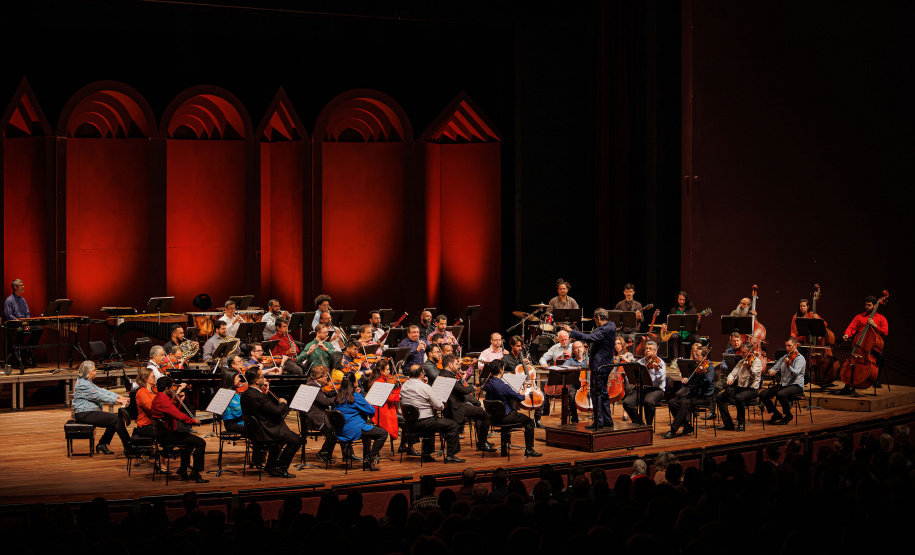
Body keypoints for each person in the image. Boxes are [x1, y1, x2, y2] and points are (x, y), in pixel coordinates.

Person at [240, 367, 302, 478]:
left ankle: (271, 466)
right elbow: (277, 411)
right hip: (266, 431)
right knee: (296, 440)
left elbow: (262, 410)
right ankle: (280, 468)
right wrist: (282, 403)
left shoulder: (245, 394)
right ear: (256, 381)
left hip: (254, 431)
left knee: (282, 441)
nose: (264, 379)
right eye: (262, 377)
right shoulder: (260, 397)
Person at [400, 364, 465, 463]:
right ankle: (451, 456)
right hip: (424, 423)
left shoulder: (404, 386)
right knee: (452, 425)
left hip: (410, 424)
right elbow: (439, 406)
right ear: (421, 375)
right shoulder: (424, 387)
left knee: (432, 423)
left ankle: (426, 454)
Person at [566, 308, 617, 430]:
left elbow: (589, 338)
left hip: (600, 366)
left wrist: (572, 331)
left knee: (596, 394)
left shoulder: (603, 330)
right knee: (603, 393)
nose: (595, 321)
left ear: (598, 318)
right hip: (607, 364)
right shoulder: (612, 325)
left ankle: (599, 421)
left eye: (595, 319)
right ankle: (607, 420)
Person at [151, 376, 209, 483]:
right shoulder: (163, 401)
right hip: (167, 436)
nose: (172, 390)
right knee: (201, 443)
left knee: (188, 440)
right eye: (171, 388)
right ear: (167, 389)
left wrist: (177, 402)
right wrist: (193, 421)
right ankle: (195, 473)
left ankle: (183, 470)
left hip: (163, 434)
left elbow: (172, 412)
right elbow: (179, 416)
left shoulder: (158, 398)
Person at [483, 360, 542, 457]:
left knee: (510, 414)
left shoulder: (488, 385)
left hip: (493, 418)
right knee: (529, 421)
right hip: (505, 418)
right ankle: (529, 450)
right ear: (501, 370)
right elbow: (519, 398)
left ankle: (504, 448)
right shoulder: (504, 386)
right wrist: (525, 393)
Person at [440, 353, 495, 452]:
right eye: (456, 364)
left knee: (479, 413)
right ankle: (482, 443)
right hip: (457, 408)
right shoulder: (448, 377)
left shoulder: (443, 374)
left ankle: (482, 442)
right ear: (450, 365)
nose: (458, 367)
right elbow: (463, 390)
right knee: (486, 415)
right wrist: (472, 387)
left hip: (454, 406)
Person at [332, 372, 388, 471]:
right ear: (354, 383)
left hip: (340, 430)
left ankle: (367, 458)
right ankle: (370, 459)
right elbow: (371, 411)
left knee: (368, 427)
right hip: (353, 429)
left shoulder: (339, 396)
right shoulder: (356, 397)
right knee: (383, 434)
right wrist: (365, 401)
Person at [72, 361, 130, 454]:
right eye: (94, 371)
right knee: (116, 419)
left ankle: (102, 444)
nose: (95, 372)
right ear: (87, 372)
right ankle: (128, 447)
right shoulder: (83, 384)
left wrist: (118, 396)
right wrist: (117, 401)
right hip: (85, 414)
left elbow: (101, 391)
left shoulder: (86, 381)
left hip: (89, 412)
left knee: (116, 418)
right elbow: (98, 395)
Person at [836, 295, 889, 394]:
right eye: (866, 305)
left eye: (869, 305)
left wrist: (875, 325)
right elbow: (852, 327)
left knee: (881, 355)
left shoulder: (881, 318)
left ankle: (876, 379)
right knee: (853, 362)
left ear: (874, 306)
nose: (867, 307)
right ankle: (848, 384)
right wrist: (846, 335)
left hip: (873, 346)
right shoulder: (859, 317)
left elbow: (885, 332)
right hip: (859, 344)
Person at [662, 344, 715, 438]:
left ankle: (673, 430)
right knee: (672, 402)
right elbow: (691, 381)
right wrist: (686, 380)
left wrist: (703, 374)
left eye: (698, 355)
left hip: (704, 397)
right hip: (693, 395)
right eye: (696, 354)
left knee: (684, 403)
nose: (695, 356)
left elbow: (708, 382)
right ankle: (687, 426)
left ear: (705, 356)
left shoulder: (710, 368)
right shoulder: (697, 366)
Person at [715, 342, 762, 431]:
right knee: (720, 397)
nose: (742, 354)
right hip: (740, 388)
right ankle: (728, 424)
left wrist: (748, 368)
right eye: (741, 352)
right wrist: (730, 379)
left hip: (752, 389)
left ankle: (741, 423)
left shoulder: (757, 362)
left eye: (744, 352)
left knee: (738, 397)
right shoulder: (741, 362)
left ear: (750, 353)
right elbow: (733, 373)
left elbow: (754, 376)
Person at [502, 335, 548, 426]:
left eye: (520, 346)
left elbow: (529, 372)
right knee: (511, 395)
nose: (520, 348)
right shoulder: (506, 359)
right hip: (514, 385)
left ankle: (537, 419)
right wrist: (511, 374)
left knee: (543, 394)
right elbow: (501, 372)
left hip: (525, 385)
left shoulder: (522, 359)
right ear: (512, 346)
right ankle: (513, 420)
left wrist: (528, 365)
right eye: (517, 346)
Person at [759, 337, 806, 425]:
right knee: (763, 394)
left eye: (789, 346)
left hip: (796, 385)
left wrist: (789, 366)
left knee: (781, 394)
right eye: (786, 346)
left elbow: (795, 374)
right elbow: (775, 367)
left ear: (795, 345)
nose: (787, 348)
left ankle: (788, 415)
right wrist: (772, 371)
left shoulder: (800, 359)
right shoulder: (785, 357)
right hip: (784, 384)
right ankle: (776, 414)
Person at [622, 340, 666, 425]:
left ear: (655, 351)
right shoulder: (640, 362)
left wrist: (656, 369)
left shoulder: (660, 363)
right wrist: (634, 381)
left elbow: (661, 380)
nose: (648, 350)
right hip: (641, 388)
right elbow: (631, 376)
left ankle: (649, 425)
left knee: (648, 401)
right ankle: (639, 423)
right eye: (646, 348)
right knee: (627, 403)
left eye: (650, 349)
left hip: (656, 390)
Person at [365, 359, 404, 454]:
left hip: (384, 409)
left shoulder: (383, 380)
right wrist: (399, 394)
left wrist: (400, 388)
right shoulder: (379, 382)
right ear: (381, 371)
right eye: (387, 370)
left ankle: (405, 446)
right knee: (406, 421)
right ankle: (404, 446)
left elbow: (391, 394)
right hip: (382, 412)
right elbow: (390, 398)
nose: (389, 372)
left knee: (405, 420)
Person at [702, 331, 742, 421]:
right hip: (729, 378)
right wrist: (730, 365)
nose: (736, 343)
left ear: (741, 341)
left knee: (733, 394)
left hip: (741, 379)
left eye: (737, 340)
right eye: (734, 341)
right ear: (731, 342)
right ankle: (712, 411)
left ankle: (739, 418)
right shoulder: (728, 351)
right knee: (716, 386)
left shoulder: (744, 351)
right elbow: (722, 365)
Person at [303, 365, 338, 464]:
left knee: (337, 425)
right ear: (318, 378)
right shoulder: (312, 386)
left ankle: (326, 452)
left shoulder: (312, 383)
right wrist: (338, 397)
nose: (327, 378)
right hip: (315, 417)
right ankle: (324, 452)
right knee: (335, 428)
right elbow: (325, 402)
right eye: (325, 376)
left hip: (317, 414)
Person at [4, 278, 42, 367]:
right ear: (15, 287)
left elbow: (27, 313)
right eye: (21, 285)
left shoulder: (23, 300)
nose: (23, 287)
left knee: (39, 329)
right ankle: (20, 353)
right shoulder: (9, 300)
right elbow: (9, 316)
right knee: (20, 330)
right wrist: (22, 325)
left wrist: (27, 323)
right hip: (14, 325)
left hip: (24, 324)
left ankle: (26, 349)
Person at [662, 291, 702, 360]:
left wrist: (698, 321)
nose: (682, 301)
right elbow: (669, 322)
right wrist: (664, 325)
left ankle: (697, 359)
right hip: (678, 334)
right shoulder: (673, 310)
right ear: (677, 299)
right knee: (674, 336)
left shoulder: (691, 311)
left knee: (698, 340)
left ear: (686, 300)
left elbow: (697, 328)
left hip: (688, 335)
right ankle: (675, 359)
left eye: (683, 300)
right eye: (680, 299)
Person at [562, 340, 588, 424]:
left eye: (580, 347)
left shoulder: (589, 360)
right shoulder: (570, 360)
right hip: (575, 384)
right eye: (576, 348)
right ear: (573, 351)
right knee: (571, 394)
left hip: (587, 384)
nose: (579, 349)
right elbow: (563, 367)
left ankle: (597, 416)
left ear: (584, 349)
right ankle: (574, 418)